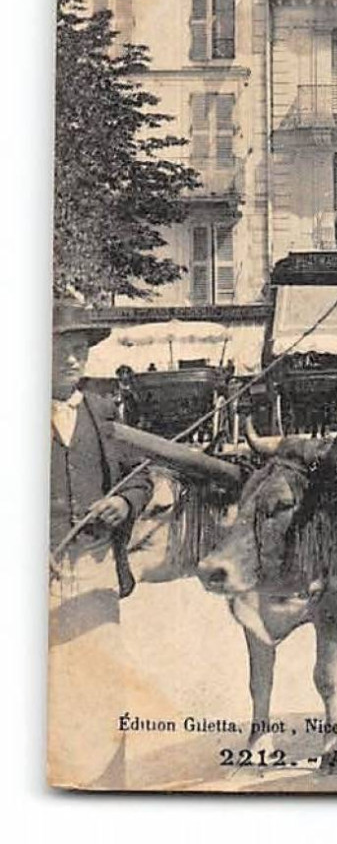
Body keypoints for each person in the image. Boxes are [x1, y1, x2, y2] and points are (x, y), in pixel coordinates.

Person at [49, 300, 155, 788]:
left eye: (78, 350)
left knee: (99, 674)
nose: (73, 360)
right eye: (60, 349)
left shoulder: (102, 412)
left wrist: (126, 505)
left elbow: (140, 477)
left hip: (93, 566)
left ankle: (106, 784)